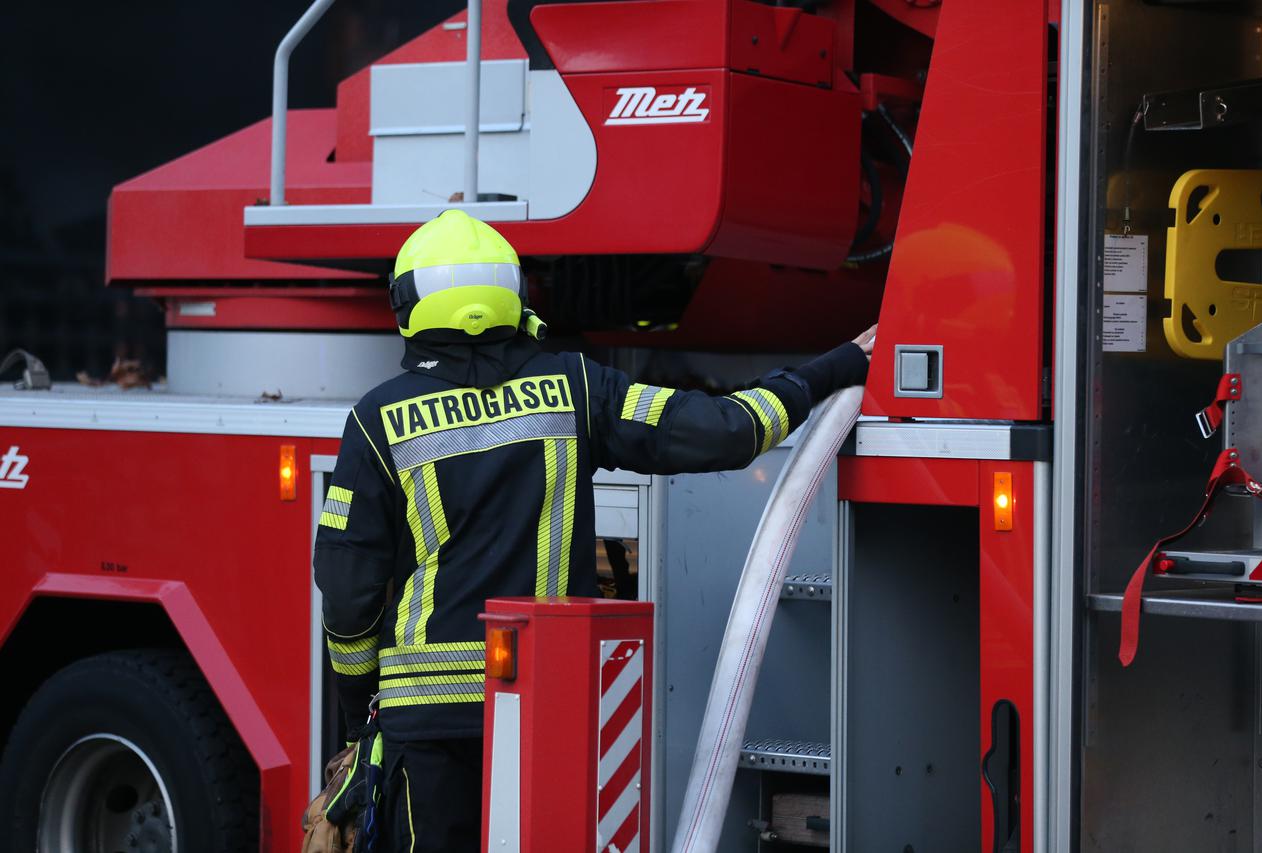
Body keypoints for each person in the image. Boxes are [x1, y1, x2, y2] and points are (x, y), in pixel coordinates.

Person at [313, 209, 876, 852]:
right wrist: (834, 366)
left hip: (427, 722)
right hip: (549, 703)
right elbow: (729, 429)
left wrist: (359, 712)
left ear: (406, 305)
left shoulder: (379, 418)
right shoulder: (577, 386)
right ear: (515, 293)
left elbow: (348, 591)